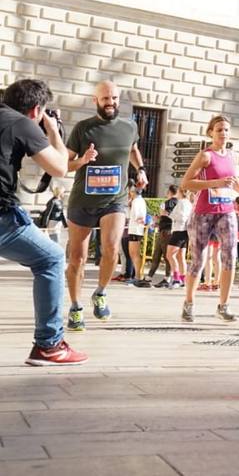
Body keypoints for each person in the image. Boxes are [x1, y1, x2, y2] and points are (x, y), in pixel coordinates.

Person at [1, 78, 88, 365]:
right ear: (36, 109)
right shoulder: (22, 123)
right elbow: (60, 167)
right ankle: (49, 346)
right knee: (50, 258)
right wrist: (52, 130)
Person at [63, 80, 147, 329]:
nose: (110, 103)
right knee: (77, 258)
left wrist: (140, 169)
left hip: (115, 199)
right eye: (105, 99)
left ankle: (100, 293)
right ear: (95, 100)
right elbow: (64, 164)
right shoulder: (83, 129)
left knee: (111, 248)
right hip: (83, 201)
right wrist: (83, 160)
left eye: (114, 99)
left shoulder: (129, 126)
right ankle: (76, 307)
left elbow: (132, 149)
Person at [179, 115, 239, 323]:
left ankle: (223, 306)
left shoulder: (231, 155)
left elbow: (232, 180)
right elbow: (186, 183)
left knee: (230, 257)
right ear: (210, 133)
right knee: (198, 259)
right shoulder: (205, 156)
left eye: (226, 129)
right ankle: (189, 303)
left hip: (226, 211)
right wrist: (214, 182)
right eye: (219, 130)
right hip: (204, 212)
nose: (223, 133)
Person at [146, 184, 179, 285]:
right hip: (166, 231)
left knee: (163, 255)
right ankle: (149, 277)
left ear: (169, 192)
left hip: (166, 232)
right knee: (160, 254)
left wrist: (160, 215)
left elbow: (167, 214)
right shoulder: (178, 203)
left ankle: (166, 278)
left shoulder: (169, 202)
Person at [165, 185, 191, 287]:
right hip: (183, 231)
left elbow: (182, 217)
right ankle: (182, 279)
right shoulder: (187, 203)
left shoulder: (183, 203)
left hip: (179, 230)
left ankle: (176, 278)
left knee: (170, 254)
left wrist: (171, 215)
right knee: (180, 256)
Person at [126, 184, 150, 286]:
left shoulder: (136, 201)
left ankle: (138, 276)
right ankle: (137, 275)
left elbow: (135, 215)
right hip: (135, 229)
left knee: (134, 253)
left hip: (135, 229)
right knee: (133, 253)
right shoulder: (140, 201)